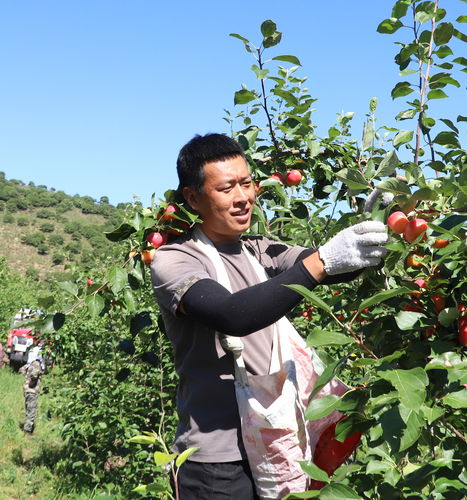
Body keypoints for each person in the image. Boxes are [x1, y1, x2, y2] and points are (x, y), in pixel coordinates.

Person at [150, 133, 387, 500]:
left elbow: (331, 264)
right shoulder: (176, 259)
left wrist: (370, 231)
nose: (242, 197)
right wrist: (325, 260)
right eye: (227, 188)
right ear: (193, 198)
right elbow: (232, 315)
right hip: (216, 461)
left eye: (246, 183)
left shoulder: (260, 249)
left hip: (276, 443)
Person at [19, 353, 44, 435]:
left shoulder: (30, 363)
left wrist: (27, 376)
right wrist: (33, 380)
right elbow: (34, 375)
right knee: (32, 411)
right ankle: (28, 431)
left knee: (28, 408)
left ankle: (27, 428)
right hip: (32, 390)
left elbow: (21, 370)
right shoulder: (37, 364)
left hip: (26, 390)